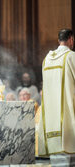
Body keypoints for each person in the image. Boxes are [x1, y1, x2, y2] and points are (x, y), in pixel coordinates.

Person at [38, 28, 75, 166]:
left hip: (51, 115)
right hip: (68, 111)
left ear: (58, 40)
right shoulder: (71, 56)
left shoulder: (46, 59)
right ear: (71, 39)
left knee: (57, 157)